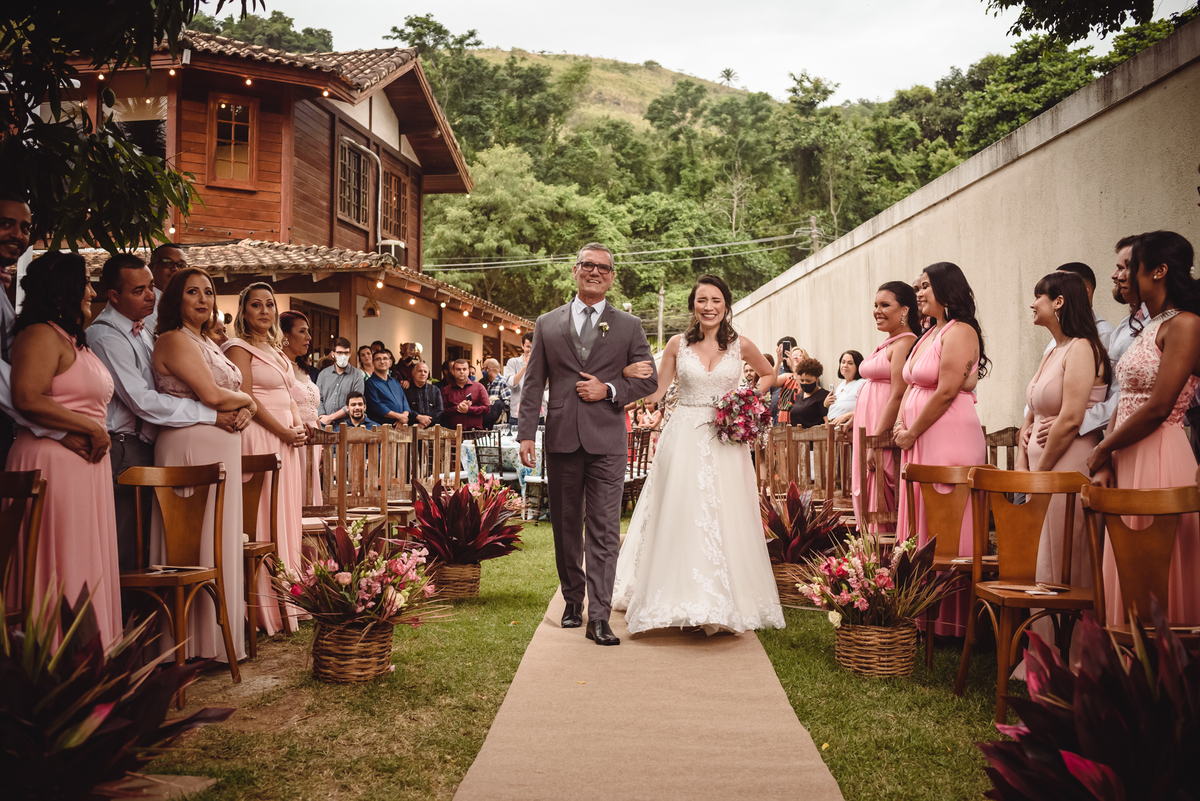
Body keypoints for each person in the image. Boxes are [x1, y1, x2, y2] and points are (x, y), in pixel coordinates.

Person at [613, 273, 782, 635]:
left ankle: (721, 599)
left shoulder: (741, 345)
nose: (708, 307)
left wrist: (745, 399)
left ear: (726, 305)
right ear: (693, 305)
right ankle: (676, 593)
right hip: (683, 436)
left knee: (724, 511)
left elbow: (770, 375)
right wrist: (624, 394)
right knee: (682, 509)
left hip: (726, 439)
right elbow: (656, 392)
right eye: (702, 300)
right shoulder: (676, 344)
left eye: (715, 301)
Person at [518, 242, 658, 646]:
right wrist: (527, 432)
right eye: (588, 265)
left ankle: (599, 616)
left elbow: (647, 381)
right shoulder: (547, 323)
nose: (595, 272)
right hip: (561, 437)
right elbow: (533, 383)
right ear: (575, 271)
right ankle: (572, 600)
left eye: (603, 268)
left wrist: (611, 387)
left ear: (612, 277)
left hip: (608, 440)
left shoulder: (629, 326)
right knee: (565, 527)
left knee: (604, 529)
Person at [90, 254, 247, 572]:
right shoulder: (106, 336)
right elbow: (143, 401)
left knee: (147, 544)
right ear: (114, 296)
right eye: (139, 291)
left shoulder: (145, 333)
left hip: (147, 444)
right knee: (126, 546)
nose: (151, 295)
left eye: (151, 287)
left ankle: (146, 617)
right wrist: (212, 415)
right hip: (123, 446)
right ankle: (126, 620)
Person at [7, 253, 120, 646]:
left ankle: (91, 660)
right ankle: (53, 658)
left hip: (84, 469)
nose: (92, 291)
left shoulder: (72, 338)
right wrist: (91, 427)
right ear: (62, 291)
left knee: (85, 560)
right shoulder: (39, 334)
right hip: (51, 466)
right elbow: (25, 396)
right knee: (61, 562)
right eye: (85, 283)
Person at [1088, 231, 1200, 627]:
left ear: (1158, 271)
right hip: (1129, 453)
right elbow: (1126, 400)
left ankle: (1166, 671)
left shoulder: (1185, 324)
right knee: (1127, 556)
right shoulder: (1150, 325)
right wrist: (1109, 457)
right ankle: (1127, 667)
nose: (1124, 276)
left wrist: (1102, 449)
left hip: (1160, 454)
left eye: (1131, 267)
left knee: (1158, 561)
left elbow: (1157, 407)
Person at [151, 267, 255, 661]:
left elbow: (231, 392)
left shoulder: (207, 341)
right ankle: (189, 644)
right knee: (194, 544)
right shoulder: (173, 340)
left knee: (222, 536)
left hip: (220, 447)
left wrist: (244, 404)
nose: (203, 299)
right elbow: (212, 395)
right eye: (192, 292)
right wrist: (251, 404)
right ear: (175, 298)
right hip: (189, 448)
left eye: (208, 292)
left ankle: (218, 640)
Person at [1018, 271, 1110, 659]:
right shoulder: (1056, 349)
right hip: (1045, 468)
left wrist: (1039, 476)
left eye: (1039, 297)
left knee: (1070, 557)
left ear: (1058, 302)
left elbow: (1072, 417)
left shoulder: (1083, 348)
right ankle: (1044, 655)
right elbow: (1038, 408)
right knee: (1046, 559)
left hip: (1067, 465)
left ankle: (1076, 658)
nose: (1032, 304)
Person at [895, 262, 988, 637]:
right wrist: (905, 426)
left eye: (925, 287)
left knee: (947, 514)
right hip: (920, 435)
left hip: (946, 435)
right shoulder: (929, 333)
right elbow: (916, 387)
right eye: (917, 287)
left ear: (947, 290)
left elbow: (948, 390)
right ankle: (919, 612)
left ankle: (952, 620)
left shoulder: (961, 331)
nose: (918, 293)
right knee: (922, 512)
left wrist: (911, 430)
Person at [224, 282, 306, 636]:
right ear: (244, 312)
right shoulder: (237, 348)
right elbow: (245, 399)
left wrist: (298, 426)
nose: (264, 311)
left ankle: (289, 601)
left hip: (287, 440)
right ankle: (262, 609)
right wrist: (283, 432)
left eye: (269, 305)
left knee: (285, 516)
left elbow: (288, 395)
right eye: (255, 305)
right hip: (260, 438)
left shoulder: (274, 350)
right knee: (262, 519)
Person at [851, 281, 918, 533]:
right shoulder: (890, 342)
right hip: (868, 424)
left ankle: (885, 553)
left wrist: (875, 439)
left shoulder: (904, 343)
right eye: (875, 305)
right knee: (869, 486)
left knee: (882, 487)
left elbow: (898, 393)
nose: (877, 311)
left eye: (885, 305)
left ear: (905, 310)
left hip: (883, 427)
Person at [282, 311, 322, 506]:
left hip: (315, 438)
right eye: (302, 331)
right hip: (296, 436)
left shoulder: (303, 369)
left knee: (313, 491)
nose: (309, 338)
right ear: (285, 336)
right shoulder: (279, 366)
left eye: (309, 332)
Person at [316, 337, 365, 429]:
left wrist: (330, 417)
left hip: (347, 425)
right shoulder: (323, 374)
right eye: (339, 353)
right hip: (324, 424)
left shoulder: (357, 375)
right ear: (333, 354)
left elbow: (356, 402)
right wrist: (323, 416)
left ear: (350, 354)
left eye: (346, 353)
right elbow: (318, 398)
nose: (343, 356)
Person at [141, 243, 187, 335]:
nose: (176, 269)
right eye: (168, 262)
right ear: (151, 268)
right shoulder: (144, 305)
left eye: (181, 265)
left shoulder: (184, 303)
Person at [776, 354, 828, 429]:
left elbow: (827, 423)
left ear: (817, 379)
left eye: (808, 381)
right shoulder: (800, 395)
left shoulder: (823, 396)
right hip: (795, 437)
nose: (804, 383)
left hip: (813, 438)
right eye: (802, 380)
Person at [364, 349, 411, 427]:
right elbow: (377, 407)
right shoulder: (369, 383)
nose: (382, 361)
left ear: (390, 363)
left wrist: (404, 417)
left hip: (401, 425)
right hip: (381, 427)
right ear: (373, 363)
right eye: (378, 359)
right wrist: (399, 417)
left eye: (385, 358)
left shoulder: (395, 382)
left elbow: (404, 401)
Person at [441, 358, 489, 432]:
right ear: (453, 371)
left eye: (464, 369)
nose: (461, 372)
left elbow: (487, 408)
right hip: (453, 433)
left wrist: (469, 410)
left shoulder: (479, 387)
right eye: (458, 369)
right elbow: (442, 411)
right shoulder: (446, 390)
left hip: (475, 433)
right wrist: (457, 408)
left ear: (468, 371)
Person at [825, 350, 865, 427]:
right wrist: (827, 404)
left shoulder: (861, 384)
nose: (845, 365)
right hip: (834, 427)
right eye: (843, 362)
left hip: (849, 427)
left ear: (858, 366)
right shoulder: (842, 385)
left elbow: (867, 410)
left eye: (850, 363)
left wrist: (847, 415)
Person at [504, 332, 533, 429]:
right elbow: (511, 383)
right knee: (516, 444)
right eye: (528, 346)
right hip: (518, 413)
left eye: (533, 347)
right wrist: (525, 366)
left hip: (538, 413)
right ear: (522, 346)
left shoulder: (541, 363)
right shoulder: (513, 362)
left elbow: (545, 387)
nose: (530, 350)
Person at [406, 361, 443, 429]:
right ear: (413, 373)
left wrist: (425, 423)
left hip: (432, 430)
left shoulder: (435, 390)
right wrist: (417, 417)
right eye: (419, 371)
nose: (422, 374)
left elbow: (439, 409)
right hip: (411, 429)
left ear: (428, 374)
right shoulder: (406, 390)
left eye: (425, 372)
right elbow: (405, 408)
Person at [770, 336, 797, 424]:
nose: (783, 352)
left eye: (785, 348)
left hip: (793, 415)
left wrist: (792, 363)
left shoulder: (802, 369)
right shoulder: (779, 370)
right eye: (780, 349)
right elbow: (773, 381)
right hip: (778, 416)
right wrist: (778, 361)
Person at [482, 358, 509, 429]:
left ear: (488, 369)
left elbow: (509, 403)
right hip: (490, 424)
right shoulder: (488, 384)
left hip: (500, 426)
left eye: (483, 368)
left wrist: (496, 403)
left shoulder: (503, 382)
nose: (482, 371)